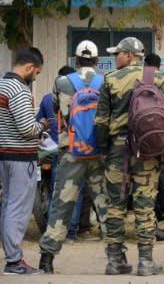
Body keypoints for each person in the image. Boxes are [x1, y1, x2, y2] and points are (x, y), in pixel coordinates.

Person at [93, 37, 164, 275]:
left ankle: (115, 260)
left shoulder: (110, 80)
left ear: (128, 55)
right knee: (146, 205)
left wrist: (104, 150)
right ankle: (146, 262)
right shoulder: (159, 78)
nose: (115, 58)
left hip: (118, 151)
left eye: (117, 54)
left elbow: (101, 121)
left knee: (115, 205)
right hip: (148, 150)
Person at [39, 41, 110, 273]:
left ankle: (47, 259)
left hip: (71, 152)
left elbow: (56, 108)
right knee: (106, 205)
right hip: (99, 153)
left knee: (61, 204)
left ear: (75, 60)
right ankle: (115, 258)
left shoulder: (61, 82)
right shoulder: (105, 81)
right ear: (97, 61)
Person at [0, 47, 47, 275]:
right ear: (29, 67)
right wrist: (43, 126)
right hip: (20, 158)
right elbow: (28, 129)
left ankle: (12, 257)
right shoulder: (18, 89)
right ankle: (14, 261)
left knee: (9, 205)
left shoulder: (1, 85)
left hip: (5, 155)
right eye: (36, 73)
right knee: (18, 209)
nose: (35, 77)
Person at [36, 65, 85, 244]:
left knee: (57, 192)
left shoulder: (48, 99)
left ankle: (52, 232)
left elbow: (38, 122)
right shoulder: (80, 97)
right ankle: (71, 234)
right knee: (76, 193)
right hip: (78, 150)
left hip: (55, 151)